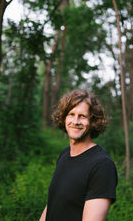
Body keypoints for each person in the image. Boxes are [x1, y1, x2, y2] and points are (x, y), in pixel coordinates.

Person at [39, 89, 118, 221]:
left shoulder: (102, 165)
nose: (75, 121)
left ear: (93, 121)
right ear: (64, 118)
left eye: (82, 116)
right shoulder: (65, 154)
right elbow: (53, 204)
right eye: (71, 114)